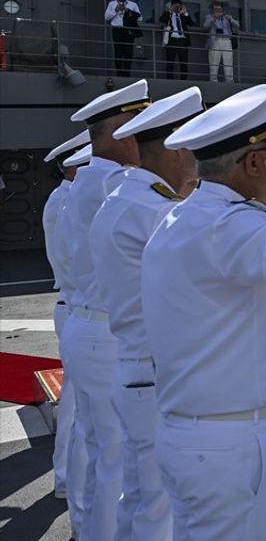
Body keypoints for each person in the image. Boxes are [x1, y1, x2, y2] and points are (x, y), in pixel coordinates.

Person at [143, 84, 266, 540]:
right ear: (256, 162)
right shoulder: (225, 225)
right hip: (233, 446)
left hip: (201, 437)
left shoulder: (186, 217)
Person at [92, 87, 202, 541]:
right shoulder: (155, 211)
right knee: (162, 512)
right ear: (178, 149)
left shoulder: (124, 199)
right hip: (159, 377)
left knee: (138, 501)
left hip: (136, 368)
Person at [58, 79, 150, 540]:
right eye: (142, 126)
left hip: (88, 324)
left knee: (98, 450)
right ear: (122, 134)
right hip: (107, 332)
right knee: (119, 457)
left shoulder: (90, 178)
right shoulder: (115, 181)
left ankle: (86, 529)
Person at [41, 131, 91, 519]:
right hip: (77, 306)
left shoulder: (63, 199)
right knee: (76, 410)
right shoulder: (69, 201)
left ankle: (66, 479)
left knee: (78, 406)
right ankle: (66, 480)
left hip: (74, 307)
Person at [103, 0, 141, 77]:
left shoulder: (133, 5)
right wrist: (115, 11)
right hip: (117, 30)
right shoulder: (112, 4)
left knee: (128, 52)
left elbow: (140, 18)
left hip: (129, 30)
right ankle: (119, 73)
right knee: (118, 52)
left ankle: (127, 73)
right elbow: (106, 17)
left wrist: (129, 12)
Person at [202, 2, 240, 82]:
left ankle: (229, 81)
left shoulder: (227, 18)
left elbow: (237, 25)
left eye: (219, 9)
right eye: (215, 9)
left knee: (228, 62)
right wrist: (214, 18)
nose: (217, 11)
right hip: (215, 40)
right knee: (214, 62)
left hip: (226, 40)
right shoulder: (209, 17)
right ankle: (213, 80)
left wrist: (231, 19)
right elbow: (205, 26)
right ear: (213, 10)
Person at [159, 0, 194, 80]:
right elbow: (161, 19)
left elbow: (191, 23)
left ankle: (184, 79)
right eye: (175, 6)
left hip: (182, 41)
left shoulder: (183, 16)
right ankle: (170, 78)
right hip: (172, 40)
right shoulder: (169, 15)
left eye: (179, 6)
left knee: (184, 62)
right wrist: (170, 11)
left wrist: (185, 12)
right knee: (170, 61)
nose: (177, 8)